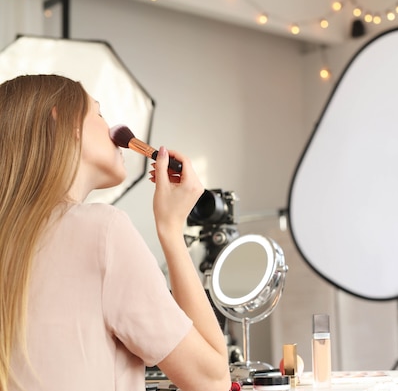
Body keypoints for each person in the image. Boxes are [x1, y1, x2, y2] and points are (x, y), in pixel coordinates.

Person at [0, 74, 231, 391]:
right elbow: (213, 381)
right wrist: (170, 231)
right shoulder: (102, 232)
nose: (112, 127)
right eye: (98, 112)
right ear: (64, 122)